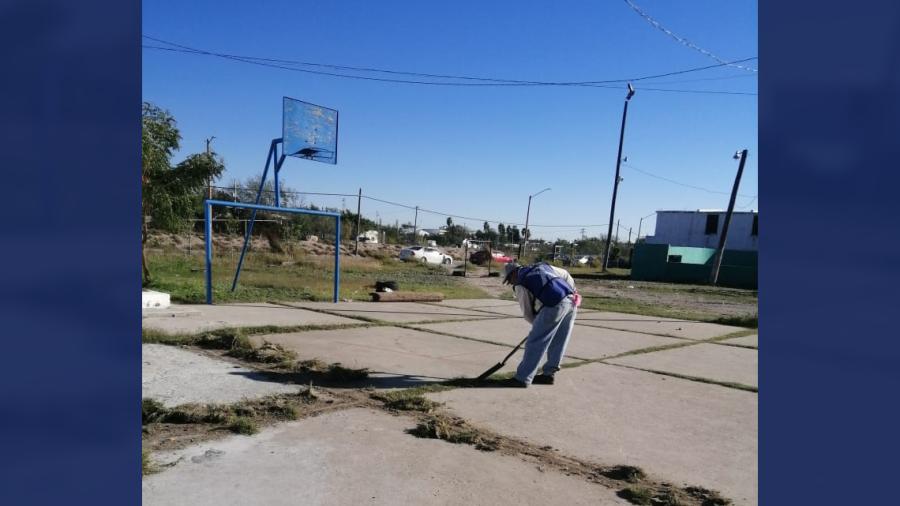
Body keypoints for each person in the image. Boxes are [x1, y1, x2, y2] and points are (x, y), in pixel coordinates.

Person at [500, 261, 581, 387]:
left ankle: (522, 379)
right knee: (559, 340)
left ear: (513, 274)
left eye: (509, 280)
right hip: (571, 301)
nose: (511, 283)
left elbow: (527, 313)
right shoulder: (542, 266)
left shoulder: (521, 283)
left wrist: (539, 327)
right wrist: (572, 291)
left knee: (535, 341)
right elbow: (565, 274)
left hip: (554, 304)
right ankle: (548, 375)